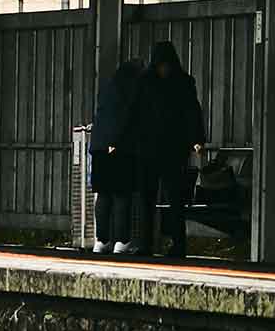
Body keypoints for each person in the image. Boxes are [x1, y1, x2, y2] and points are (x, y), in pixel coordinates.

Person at [130, 39, 207, 260]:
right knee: (149, 199)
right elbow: (192, 112)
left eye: (166, 65)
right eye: (161, 65)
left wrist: (197, 139)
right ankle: (149, 243)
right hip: (162, 148)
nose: (163, 69)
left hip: (163, 149)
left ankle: (176, 244)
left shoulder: (148, 82)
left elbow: (193, 113)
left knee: (174, 199)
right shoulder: (179, 82)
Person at [88, 55, 146, 256]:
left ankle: (101, 241)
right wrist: (117, 142)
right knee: (122, 195)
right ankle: (122, 241)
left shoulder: (108, 87)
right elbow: (127, 118)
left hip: (98, 146)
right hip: (120, 147)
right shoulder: (132, 89)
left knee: (103, 194)